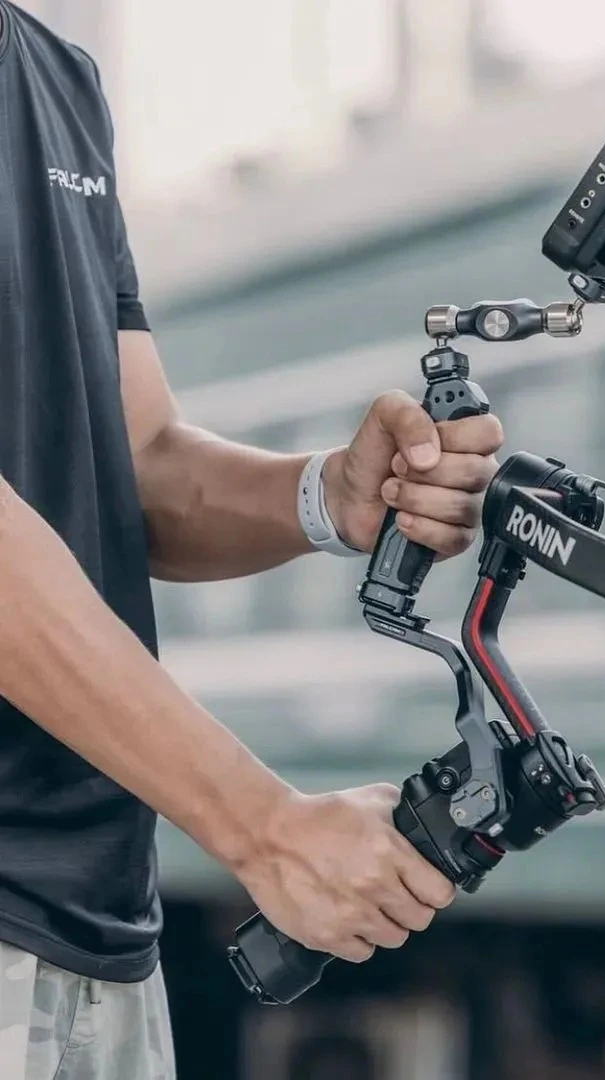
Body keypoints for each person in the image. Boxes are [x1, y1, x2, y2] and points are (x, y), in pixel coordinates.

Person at [0, 4, 504, 1077]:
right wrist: (265, 827)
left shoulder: (58, 82)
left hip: (92, 921)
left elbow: (132, 461)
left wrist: (327, 495)